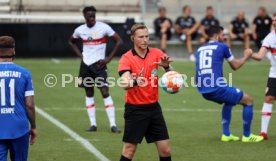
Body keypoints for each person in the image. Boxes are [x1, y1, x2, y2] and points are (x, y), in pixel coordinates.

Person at [195, 26, 263, 142]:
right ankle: (247, 136)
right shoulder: (222, 46)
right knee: (248, 100)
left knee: (229, 101)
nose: (224, 37)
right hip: (216, 87)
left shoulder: (199, 49)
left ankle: (226, 134)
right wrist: (247, 56)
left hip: (202, 88)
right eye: (222, 35)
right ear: (217, 35)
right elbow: (235, 65)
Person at [118, 24, 173, 161]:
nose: (145, 40)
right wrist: (136, 80)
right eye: (141, 37)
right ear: (133, 38)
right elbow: (124, 83)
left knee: (165, 150)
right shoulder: (126, 58)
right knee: (129, 150)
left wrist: (167, 68)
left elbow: (172, 74)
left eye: (147, 36)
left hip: (154, 108)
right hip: (135, 110)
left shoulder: (156, 53)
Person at [69, 6, 123, 133]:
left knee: (105, 92)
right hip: (85, 66)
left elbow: (119, 41)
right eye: (89, 16)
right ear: (85, 17)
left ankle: (113, 125)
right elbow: (71, 42)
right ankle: (93, 124)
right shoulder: (79, 30)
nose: (92, 18)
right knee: (88, 93)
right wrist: (80, 55)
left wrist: (108, 59)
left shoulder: (104, 27)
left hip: (99, 65)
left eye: (94, 15)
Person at [0, 36, 37, 161]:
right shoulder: (24, 73)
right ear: (13, 51)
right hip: (19, 129)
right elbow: (29, 105)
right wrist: (33, 126)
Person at [251, 13, 276, 140]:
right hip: (274, 74)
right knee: (268, 98)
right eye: (273, 21)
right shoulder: (270, 38)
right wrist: (250, 54)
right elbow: (260, 56)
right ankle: (263, 133)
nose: (274, 23)